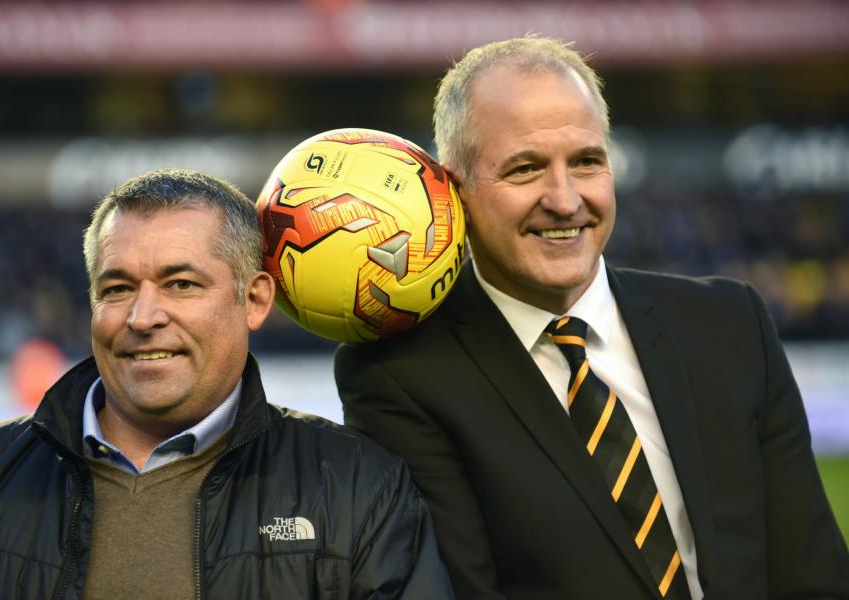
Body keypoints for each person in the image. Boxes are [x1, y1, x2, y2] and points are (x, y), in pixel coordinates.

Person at [335, 36, 849, 599]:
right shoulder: (401, 377)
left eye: (586, 162)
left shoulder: (730, 323)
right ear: (455, 192)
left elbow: (813, 572)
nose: (564, 199)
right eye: (526, 169)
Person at [0, 168, 453, 599]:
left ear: (255, 299)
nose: (142, 316)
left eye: (180, 284)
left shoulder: (360, 488)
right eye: (115, 288)